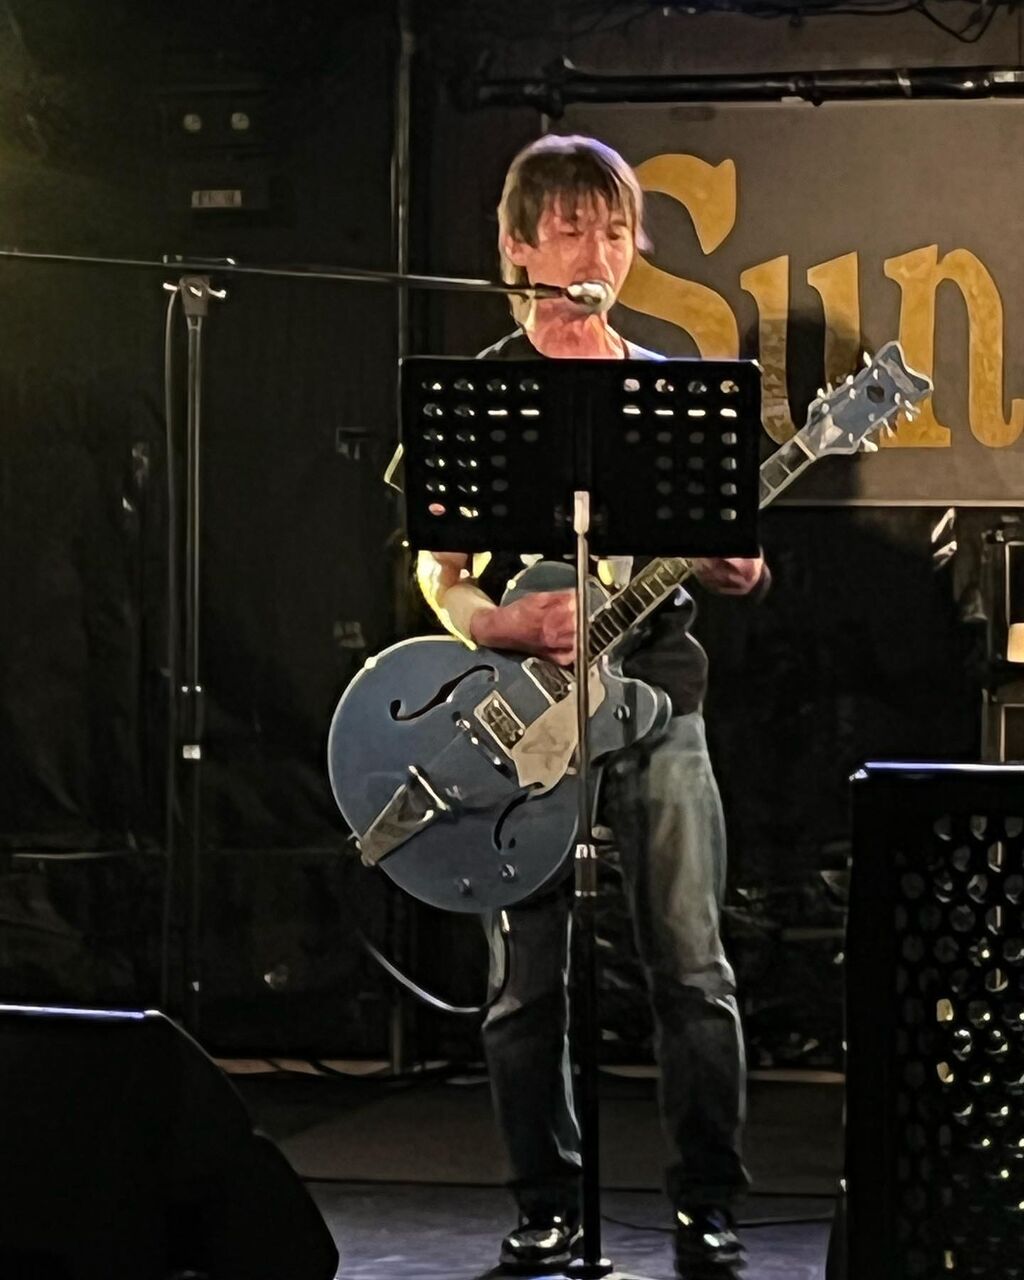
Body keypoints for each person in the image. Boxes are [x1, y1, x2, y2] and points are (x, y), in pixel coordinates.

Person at [416, 134, 769, 1280]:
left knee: (691, 963)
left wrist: (731, 560)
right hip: (529, 713)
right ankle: (546, 1204)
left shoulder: (674, 389)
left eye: (615, 230)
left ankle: (706, 1202)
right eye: (571, 229)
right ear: (518, 247)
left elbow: (742, 565)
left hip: (659, 701)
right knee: (526, 980)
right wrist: (500, 624)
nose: (597, 252)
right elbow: (438, 570)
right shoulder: (479, 393)